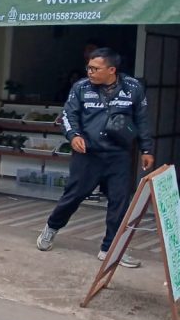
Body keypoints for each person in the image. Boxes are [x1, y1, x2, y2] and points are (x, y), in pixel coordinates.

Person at [37, 47, 154, 268]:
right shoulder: (81, 88)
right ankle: (51, 228)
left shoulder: (133, 88)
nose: (89, 72)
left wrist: (146, 150)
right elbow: (68, 114)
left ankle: (110, 249)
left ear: (111, 69)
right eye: (88, 67)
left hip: (118, 156)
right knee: (73, 196)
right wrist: (73, 136)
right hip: (88, 154)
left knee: (119, 202)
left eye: (95, 68)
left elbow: (142, 119)